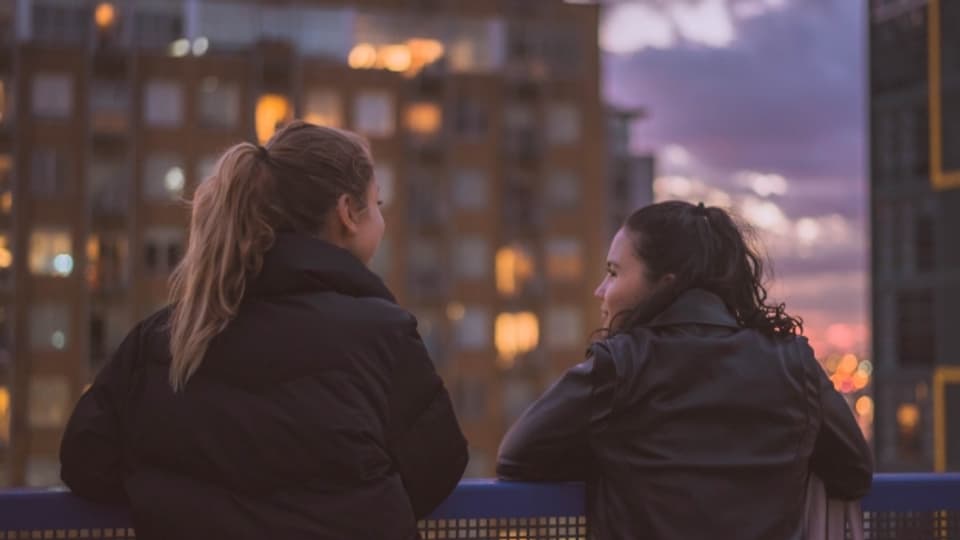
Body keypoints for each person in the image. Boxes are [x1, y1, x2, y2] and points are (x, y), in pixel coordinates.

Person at [60, 121, 468, 540]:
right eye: (377, 202)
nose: (381, 217)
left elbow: (85, 462)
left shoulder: (164, 337)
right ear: (348, 213)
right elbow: (439, 466)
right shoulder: (384, 336)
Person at [497, 201, 872, 540]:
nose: (601, 291)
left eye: (613, 272)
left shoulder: (619, 366)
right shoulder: (792, 364)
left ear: (664, 284)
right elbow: (853, 471)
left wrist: (612, 456)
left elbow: (516, 460)